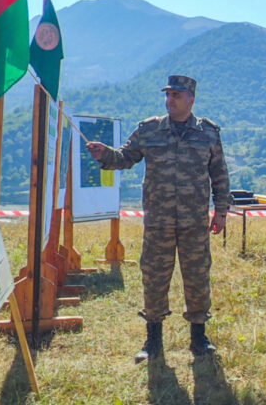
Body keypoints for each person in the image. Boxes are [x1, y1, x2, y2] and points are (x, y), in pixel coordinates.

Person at [86, 75, 232, 363]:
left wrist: (222, 211)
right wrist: (105, 155)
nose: (170, 100)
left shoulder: (208, 133)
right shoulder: (149, 130)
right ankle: (153, 340)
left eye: (176, 95)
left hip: (194, 222)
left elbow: (219, 173)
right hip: (159, 221)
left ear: (191, 98)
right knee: (154, 278)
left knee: (197, 277)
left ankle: (199, 337)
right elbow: (126, 157)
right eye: (167, 95)